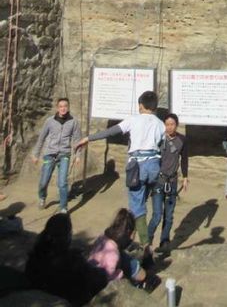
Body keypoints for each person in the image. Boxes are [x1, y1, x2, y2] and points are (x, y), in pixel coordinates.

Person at [76, 90, 164, 250]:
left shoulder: (134, 119)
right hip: (154, 166)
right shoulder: (160, 124)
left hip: (137, 166)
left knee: (137, 207)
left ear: (141, 105)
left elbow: (111, 131)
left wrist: (88, 138)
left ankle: (143, 245)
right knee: (140, 202)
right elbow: (162, 146)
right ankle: (136, 231)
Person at [25, 213, 107, 305]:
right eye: (70, 232)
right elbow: (99, 279)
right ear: (67, 236)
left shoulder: (36, 255)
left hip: (43, 297)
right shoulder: (73, 261)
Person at [32, 96, 82, 213]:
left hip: (64, 154)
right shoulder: (50, 121)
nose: (63, 109)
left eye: (65, 106)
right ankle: (42, 197)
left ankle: (63, 207)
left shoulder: (73, 122)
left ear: (68, 107)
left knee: (62, 182)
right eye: (60, 106)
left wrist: (78, 155)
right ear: (57, 108)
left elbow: (77, 140)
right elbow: (41, 138)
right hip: (50, 154)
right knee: (44, 181)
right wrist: (36, 154)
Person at [89, 207, 159, 291]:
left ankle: (142, 275)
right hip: (98, 281)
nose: (133, 237)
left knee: (127, 259)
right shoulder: (113, 254)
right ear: (128, 233)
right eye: (133, 233)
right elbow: (107, 277)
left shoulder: (104, 238)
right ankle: (144, 281)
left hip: (91, 268)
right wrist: (120, 273)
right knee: (130, 263)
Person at [148, 113, 189, 251]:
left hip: (172, 181)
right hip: (159, 180)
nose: (169, 127)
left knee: (169, 215)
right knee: (157, 215)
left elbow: (184, 158)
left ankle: (164, 241)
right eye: (167, 124)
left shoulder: (182, 139)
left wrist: (185, 177)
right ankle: (146, 241)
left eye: (172, 124)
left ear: (176, 125)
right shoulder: (159, 138)